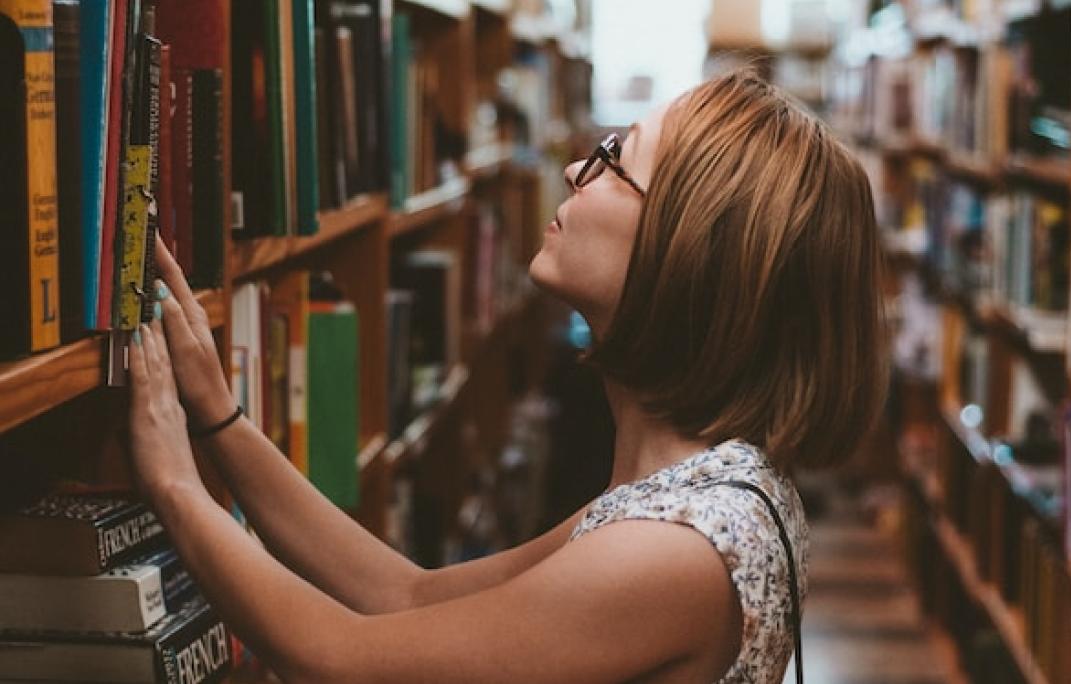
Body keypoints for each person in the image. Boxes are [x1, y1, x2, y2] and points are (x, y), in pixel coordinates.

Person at [128, 69, 887, 683]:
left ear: (689, 251)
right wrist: (219, 420)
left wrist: (172, 483)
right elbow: (403, 595)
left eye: (615, 159)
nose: (574, 169)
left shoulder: (676, 550)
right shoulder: (687, 494)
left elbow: (335, 659)